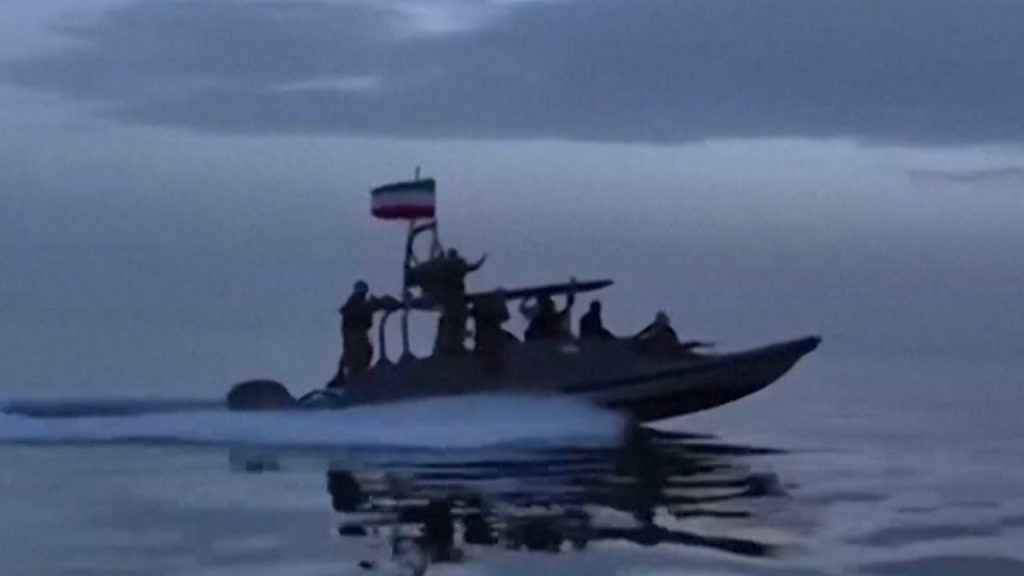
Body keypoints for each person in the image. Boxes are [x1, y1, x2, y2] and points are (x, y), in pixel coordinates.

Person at [433, 248, 486, 355]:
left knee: (455, 317)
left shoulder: (446, 265)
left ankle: (455, 342)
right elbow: (473, 267)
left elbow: (473, 267)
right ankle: (454, 342)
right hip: (454, 295)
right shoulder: (457, 264)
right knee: (456, 317)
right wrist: (482, 260)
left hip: (452, 296)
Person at [337, 280, 382, 379]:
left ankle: (354, 372)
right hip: (354, 332)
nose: (363, 295)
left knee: (364, 350)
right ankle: (353, 373)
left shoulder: (357, 302)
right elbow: (365, 309)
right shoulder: (355, 303)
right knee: (357, 351)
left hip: (357, 332)